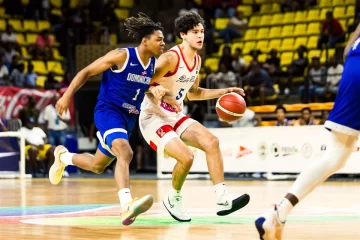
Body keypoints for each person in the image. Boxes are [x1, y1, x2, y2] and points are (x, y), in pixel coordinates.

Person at [48, 13, 167, 226]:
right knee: (126, 151)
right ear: (145, 41)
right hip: (108, 112)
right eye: (159, 39)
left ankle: (63, 157)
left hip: (128, 118)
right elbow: (86, 71)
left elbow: (136, 85)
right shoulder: (122, 56)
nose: (163, 43)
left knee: (97, 166)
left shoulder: (151, 65)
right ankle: (126, 205)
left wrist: (154, 91)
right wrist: (67, 95)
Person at [139, 12, 250, 222]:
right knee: (187, 157)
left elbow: (194, 93)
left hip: (174, 115)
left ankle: (222, 198)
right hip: (153, 117)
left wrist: (224, 91)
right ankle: (174, 198)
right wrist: (154, 90)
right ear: (183, 34)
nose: (200, 36)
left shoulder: (197, 60)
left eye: (202, 32)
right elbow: (140, 81)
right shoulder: (170, 58)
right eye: (194, 32)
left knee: (212, 142)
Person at [255, 23, 360, 240]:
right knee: (335, 157)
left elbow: (346, 48)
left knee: (335, 158)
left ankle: (280, 210)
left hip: (353, 67)